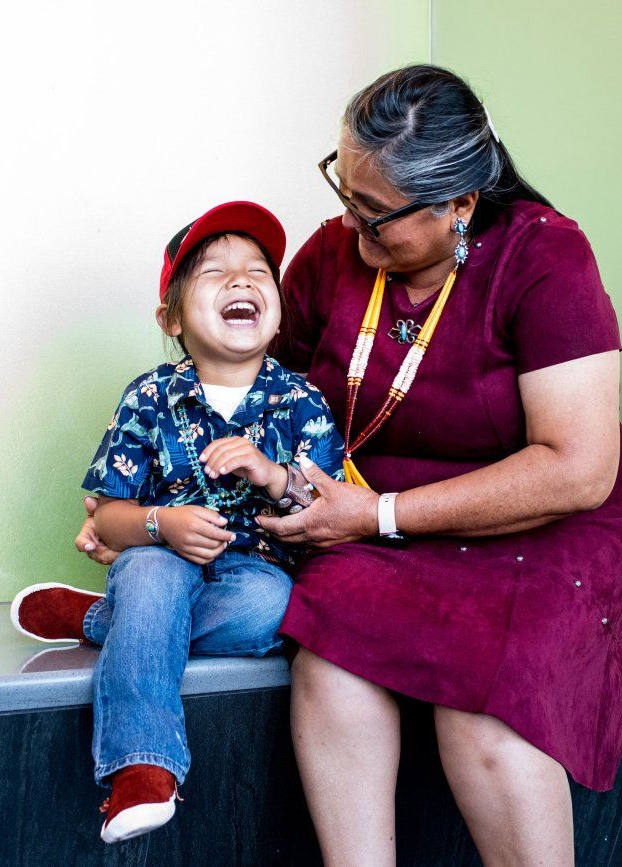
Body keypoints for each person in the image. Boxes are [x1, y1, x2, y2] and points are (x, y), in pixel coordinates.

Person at [76, 65, 620, 864]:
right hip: (362, 533)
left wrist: (378, 513)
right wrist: (143, 514)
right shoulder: (338, 255)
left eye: (374, 211)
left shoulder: (545, 257)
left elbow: (577, 469)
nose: (346, 223)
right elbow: (255, 383)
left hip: (528, 534)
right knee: (331, 660)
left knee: (484, 714)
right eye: (344, 189)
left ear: (458, 205)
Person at [10, 202, 344, 844]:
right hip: (160, 560)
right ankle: (141, 765)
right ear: (170, 316)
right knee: (151, 576)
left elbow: (327, 510)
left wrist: (272, 475)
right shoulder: (149, 396)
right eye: (215, 272)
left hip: (253, 575)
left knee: (273, 611)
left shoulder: (303, 402)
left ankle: (101, 620)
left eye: (258, 272)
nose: (243, 280)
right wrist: (162, 524)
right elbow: (109, 518)